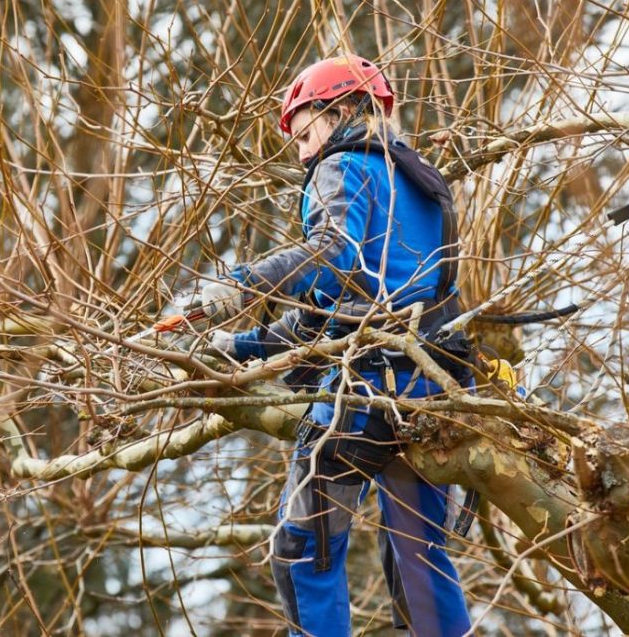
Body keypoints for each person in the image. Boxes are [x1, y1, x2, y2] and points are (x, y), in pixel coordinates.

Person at [199, 56, 474, 636]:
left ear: (342, 110)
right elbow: (339, 312)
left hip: (367, 390)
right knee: (418, 556)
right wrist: (240, 347)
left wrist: (241, 284)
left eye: (304, 133)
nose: (301, 152)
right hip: (435, 387)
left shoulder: (343, 165)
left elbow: (331, 252)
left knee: (303, 548)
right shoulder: (419, 180)